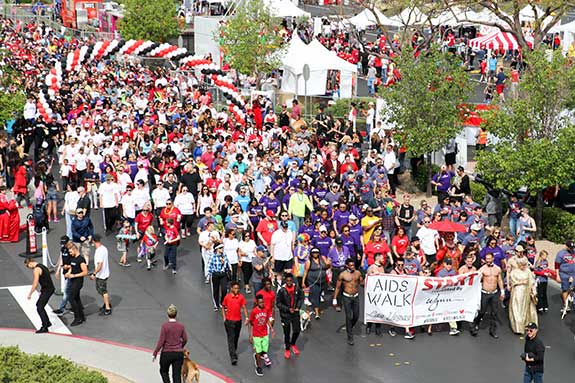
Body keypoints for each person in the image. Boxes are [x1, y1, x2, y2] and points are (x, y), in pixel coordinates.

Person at [472, 253, 504, 338]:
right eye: (487, 259)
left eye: (490, 259)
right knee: (482, 311)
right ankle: (475, 324)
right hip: (485, 293)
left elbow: (500, 280)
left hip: (494, 293)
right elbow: (476, 279)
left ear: (493, 258)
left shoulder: (497, 269)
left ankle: (492, 331)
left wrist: (502, 291)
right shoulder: (482, 269)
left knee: (494, 313)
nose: (488, 261)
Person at [153, 304, 188, 383]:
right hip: (178, 354)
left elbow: (161, 341)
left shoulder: (165, 326)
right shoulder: (181, 326)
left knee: (164, 371)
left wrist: (155, 353)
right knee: (177, 375)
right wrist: (180, 346)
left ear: (168, 314)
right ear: (176, 314)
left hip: (166, 353)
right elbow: (185, 339)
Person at [333, 257, 364, 345]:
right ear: (347, 266)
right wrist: (335, 299)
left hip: (355, 296)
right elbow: (338, 287)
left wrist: (368, 279)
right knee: (348, 316)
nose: (352, 267)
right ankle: (350, 336)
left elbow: (362, 283)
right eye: (350, 265)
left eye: (353, 265)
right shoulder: (342, 275)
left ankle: (349, 326)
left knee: (356, 315)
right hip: (346, 297)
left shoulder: (357, 273)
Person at [276, 273, 303, 359]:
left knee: (297, 330)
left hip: (295, 313)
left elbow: (301, 298)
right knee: (286, 332)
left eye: (290, 280)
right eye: (287, 281)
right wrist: (288, 309)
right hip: (285, 315)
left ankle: (293, 343)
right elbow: (278, 303)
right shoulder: (281, 291)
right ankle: (287, 348)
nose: (289, 282)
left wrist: (298, 307)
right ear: (285, 281)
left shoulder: (297, 289)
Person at [25, 257, 55, 333]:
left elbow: (35, 283)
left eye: (28, 266)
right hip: (48, 288)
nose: (29, 268)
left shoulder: (36, 269)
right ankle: (47, 322)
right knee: (39, 305)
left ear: (30, 263)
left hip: (47, 290)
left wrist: (30, 294)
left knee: (39, 307)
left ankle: (45, 326)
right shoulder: (42, 266)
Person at [509, 257, 538, 334]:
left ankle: (525, 324)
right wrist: (521, 282)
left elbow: (532, 282)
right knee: (517, 309)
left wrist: (534, 291)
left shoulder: (528, 271)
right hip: (517, 292)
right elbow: (512, 282)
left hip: (526, 292)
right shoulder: (514, 272)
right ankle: (518, 327)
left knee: (525, 308)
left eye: (525, 265)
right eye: (522, 265)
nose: (524, 266)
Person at [221, 281, 248, 365]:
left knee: (236, 337)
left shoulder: (241, 297)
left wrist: (247, 317)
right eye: (235, 288)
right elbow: (223, 307)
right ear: (232, 288)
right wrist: (224, 318)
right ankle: (233, 356)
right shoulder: (227, 297)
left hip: (238, 321)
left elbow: (244, 307)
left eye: (238, 288)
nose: (237, 290)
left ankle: (234, 350)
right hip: (229, 321)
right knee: (231, 339)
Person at [248, 294, 275, 377]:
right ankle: (258, 367)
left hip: (264, 334)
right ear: (257, 303)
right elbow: (250, 323)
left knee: (264, 351)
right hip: (256, 335)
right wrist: (251, 335)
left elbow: (267, 320)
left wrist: (271, 329)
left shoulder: (266, 309)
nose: (262, 304)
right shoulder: (254, 311)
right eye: (260, 302)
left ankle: (257, 356)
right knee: (259, 351)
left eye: (263, 302)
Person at [302, 247, 330, 319]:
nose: (315, 254)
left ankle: (314, 303)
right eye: (314, 253)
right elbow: (305, 272)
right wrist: (303, 282)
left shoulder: (322, 259)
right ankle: (317, 312)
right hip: (313, 281)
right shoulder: (309, 262)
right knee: (316, 295)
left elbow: (326, 267)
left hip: (322, 281)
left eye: (317, 252)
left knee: (319, 293)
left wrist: (328, 264)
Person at [65, 242, 88, 326]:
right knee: (77, 298)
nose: (70, 254)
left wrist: (74, 275)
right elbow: (72, 267)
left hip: (78, 282)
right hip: (73, 281)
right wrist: (69, 272)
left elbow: (85, 272)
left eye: (71, 252)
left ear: (75, 250)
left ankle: (77, 318)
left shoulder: (81, 260)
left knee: (71, 298)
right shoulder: (73, 258)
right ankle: (81, 316)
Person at [90, 234, 112, 316]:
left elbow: (100, 265)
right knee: (100, 289)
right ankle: (106, 303)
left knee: (103, 290)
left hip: (101, 274)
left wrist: (94, 273)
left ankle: (107, 307)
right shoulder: (104, 248)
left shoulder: (99, 251)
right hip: (105, 273)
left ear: (93, 241)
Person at [208, 243, 231, 311]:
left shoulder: (224, 255)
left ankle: (222, 302)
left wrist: (223, 263)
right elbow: (209, 265)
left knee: (224, 289)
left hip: (223, 274)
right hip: (215, 274)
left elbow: (226, 264)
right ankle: (216, 304)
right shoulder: (213, 256)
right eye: (220, 248)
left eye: (222, 248)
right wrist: (210, 274)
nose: (222, 249)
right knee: (215, 290)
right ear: (217, 249)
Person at [555, 240, 575, 309]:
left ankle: (568, 298)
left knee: (572, 288)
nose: (571, 249)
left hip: (573, 273)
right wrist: (557, 275)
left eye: (572, 247)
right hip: (564, 274)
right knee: (565, 289)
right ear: (566, 246)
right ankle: (565, 304)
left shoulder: (574, 251)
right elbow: (557, 265)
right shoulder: (561, 254)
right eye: (570, 247)